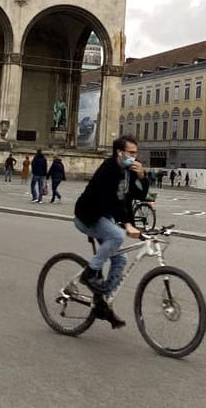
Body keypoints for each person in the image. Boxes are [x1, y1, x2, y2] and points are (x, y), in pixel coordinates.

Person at [74, 135, 150, 329]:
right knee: (117, 236)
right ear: (120, 152)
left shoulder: (128, 171)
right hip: (88, 216)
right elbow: (109, 200)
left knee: (120, 259)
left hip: (104, 217)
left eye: (136, 153)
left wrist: (142, 176)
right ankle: (89, 274)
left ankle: (103, 303)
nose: (135, 157)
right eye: (131, 153)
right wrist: (126, 224)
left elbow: (138, 195)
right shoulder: (108, 169)